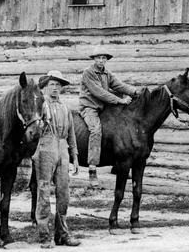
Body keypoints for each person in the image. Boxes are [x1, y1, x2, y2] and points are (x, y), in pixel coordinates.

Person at [78, 46, 139, 187]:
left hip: (104, 108)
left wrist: (135, 92)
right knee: (95, 130)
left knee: (120, 129)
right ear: (94, 59)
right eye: (98, 57)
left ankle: (118, 166)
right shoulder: (88, 73)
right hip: (90, 108)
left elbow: (119, 85)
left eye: (103, 58)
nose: (101, 60)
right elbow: (99, 92)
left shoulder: (107, 73)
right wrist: (120, 100)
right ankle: (92, 169)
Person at [33, 70, 80, 247]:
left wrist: (74, 156)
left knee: (64, 193)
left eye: (58, 85)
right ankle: (45, 236)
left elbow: (71, 134)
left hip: (63, 149)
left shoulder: (65, 108)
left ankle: (62, 234)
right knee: (44, 191)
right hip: (46, 147)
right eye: (52, 84)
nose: (55, 88)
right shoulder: (41, 106)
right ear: (45, 87)